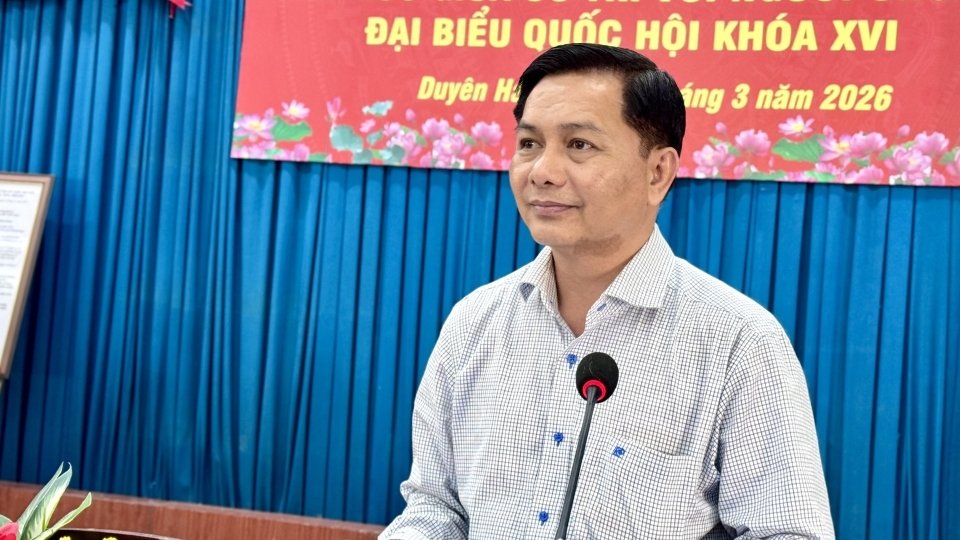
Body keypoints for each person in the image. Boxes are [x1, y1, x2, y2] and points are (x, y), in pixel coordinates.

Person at [381, 43, 834, 539]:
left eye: (579, 145)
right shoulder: (474, 322)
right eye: (529, 143)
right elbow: (437, 509)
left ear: (658, 172)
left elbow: (788, 531)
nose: (542, 172)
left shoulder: (737, 340)